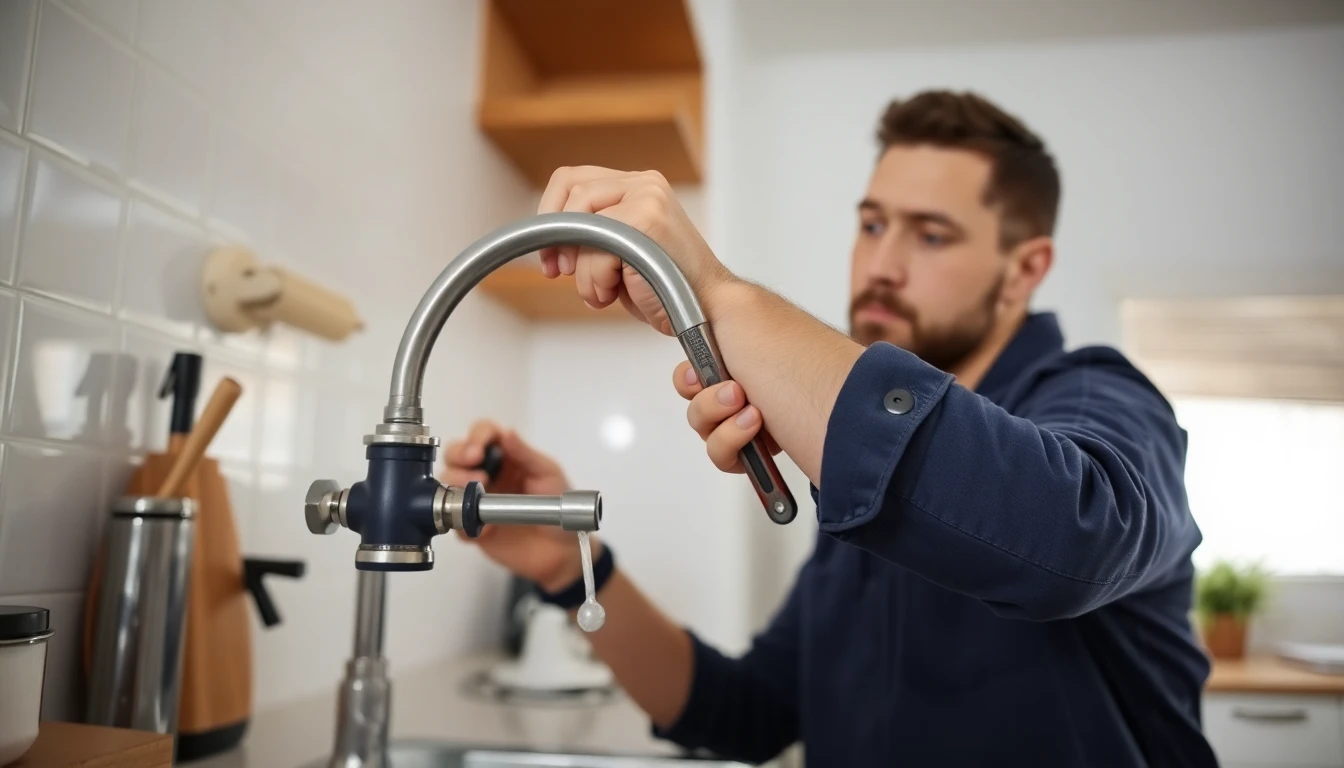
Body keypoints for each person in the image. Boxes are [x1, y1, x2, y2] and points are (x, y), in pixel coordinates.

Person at [443, 91, 1217, 766]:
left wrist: (714, 291)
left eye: (931, 235)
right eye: (872, 224)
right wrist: (567, 567)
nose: (881, 263)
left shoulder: (1102, 396)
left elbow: (1068, 534)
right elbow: (746, 712)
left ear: (1024, 269)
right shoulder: (856, 464)